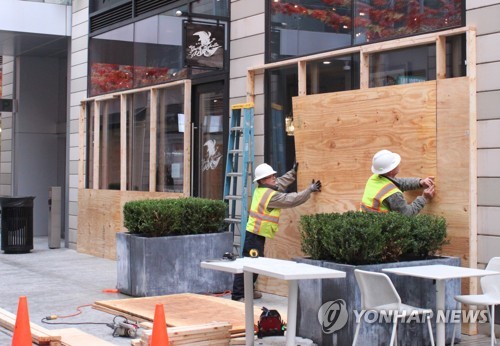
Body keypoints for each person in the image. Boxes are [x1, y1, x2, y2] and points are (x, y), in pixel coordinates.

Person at [231, 162, 322, 302]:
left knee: (255, 263)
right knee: (250, 264)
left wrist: (292, 172)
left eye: (273, 175)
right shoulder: (271, 196)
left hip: (256, 234)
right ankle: (238, 295)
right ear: (262, 180)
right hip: (254, 235)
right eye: (270, 176)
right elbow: (292, 199)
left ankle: (247, 291)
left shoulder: (263, 189)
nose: (274, 177)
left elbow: (281, 182)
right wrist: (309, 190)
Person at [360, 149, 435, 216]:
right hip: (378, 228)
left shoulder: (374, 178)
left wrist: (420, 182)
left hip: (364, 221)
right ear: (391, 170)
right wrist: (424, 198)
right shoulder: (393, 194)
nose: (398, 164)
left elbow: (399, 183)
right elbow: (407, 214)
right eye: (395, 164)